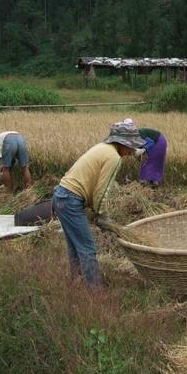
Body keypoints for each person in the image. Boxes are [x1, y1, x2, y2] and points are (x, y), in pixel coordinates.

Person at [52, 121, 145, 288]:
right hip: (70, 199)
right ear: (122, 143)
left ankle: (76, 284)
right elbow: (102, 189)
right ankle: (95, 291)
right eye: (130, 147)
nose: (131, 151)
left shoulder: (102, 148)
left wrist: (95, 210)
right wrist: (101, 214)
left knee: (75, 245)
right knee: (87, 247)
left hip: (61, 196)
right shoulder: (113, 157)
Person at [126, 118, 167, 186]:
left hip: (158, 141)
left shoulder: (138, 133)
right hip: (156, 142)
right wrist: (137, 154)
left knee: (148, 161)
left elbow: (151, 142)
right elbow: (138, 147)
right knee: (147, 161)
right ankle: (152, 183)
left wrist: (143, 150)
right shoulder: (130, 137)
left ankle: (146, 182)